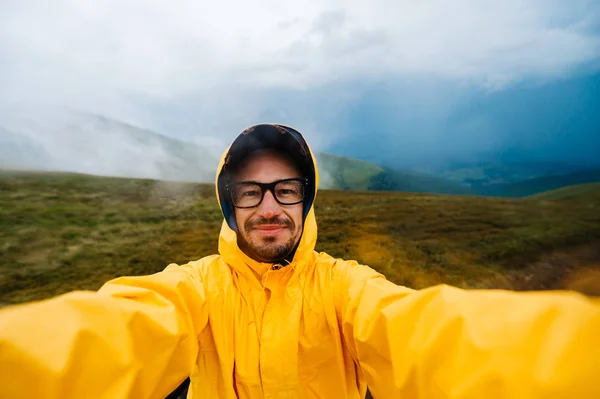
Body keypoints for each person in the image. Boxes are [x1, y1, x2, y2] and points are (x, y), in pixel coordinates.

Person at [0, 124, 599, 399]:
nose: (269, 207)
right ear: (228, 203)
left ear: (306, 201)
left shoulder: (346, 286)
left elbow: (427, 333)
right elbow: (111, 334)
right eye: (250, 191)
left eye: (287, 190)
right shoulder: (193, 289)